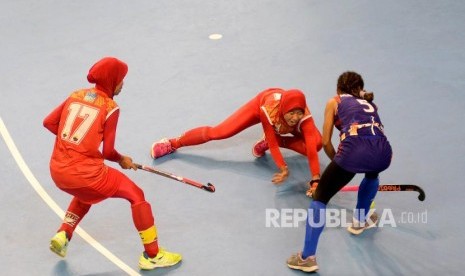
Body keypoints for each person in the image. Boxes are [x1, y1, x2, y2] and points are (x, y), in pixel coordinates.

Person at [43, 57, 182, 270]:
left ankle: (64, 233)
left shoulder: (75, 95)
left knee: (86, 193)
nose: (123, 84)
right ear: (112, 80)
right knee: (136, 195)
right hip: (86, 174)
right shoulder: (110, 107)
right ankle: (152, 255)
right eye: (121, 79)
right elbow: (108, 152)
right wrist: (122, 160)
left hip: (58, 171)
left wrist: (73, 142)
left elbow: (49, 122)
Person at [287, 71, 393, 272]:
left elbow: (326, 141)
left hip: (353, 153)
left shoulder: (334, 101)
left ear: (338, 89)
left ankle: (306, 257)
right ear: (360, 89)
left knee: (320, 198)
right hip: (384, 152)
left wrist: (338, 163)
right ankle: (360, 221)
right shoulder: (371, 104)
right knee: (372, 174)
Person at [150, 88, 323, 194]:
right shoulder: (268, 110)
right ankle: (172, 143)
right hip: (258, 108)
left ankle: (280, 141)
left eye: (298, 113)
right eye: (291, 113)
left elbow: (310, 145)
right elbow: (270, 136)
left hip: (278, 125)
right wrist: (283, 167)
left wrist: (316, 179)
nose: (295, 118)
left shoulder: (304, 117)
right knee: (219, 132)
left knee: (316, 144)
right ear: (284, 109)